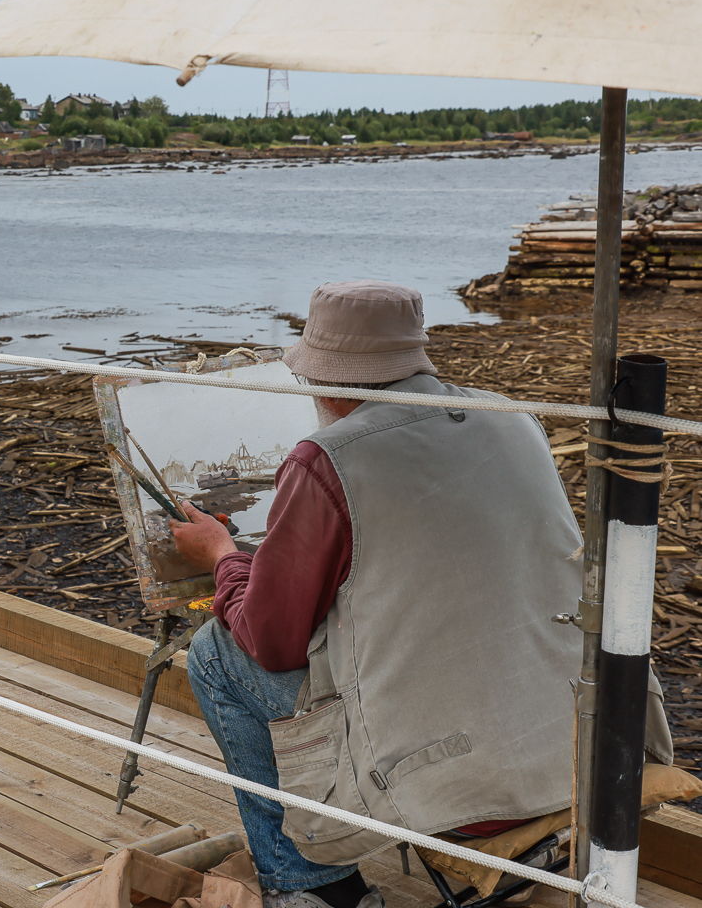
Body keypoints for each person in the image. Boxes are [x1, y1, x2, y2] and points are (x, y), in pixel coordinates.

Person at [169, 280, 590, 908]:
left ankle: (310, 889)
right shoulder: (510, 416)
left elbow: (272, 643)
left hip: (445, 769)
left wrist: (223, 557)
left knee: (215, 653)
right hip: (561, 745)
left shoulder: (328, 458)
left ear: (329, 377)